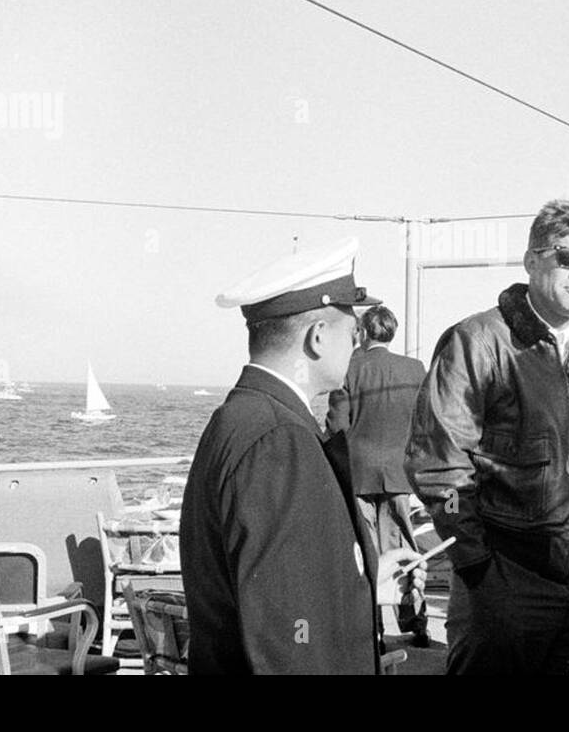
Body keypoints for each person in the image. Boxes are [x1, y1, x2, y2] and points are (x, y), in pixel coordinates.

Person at [180, 236, 425, 674]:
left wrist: (363, 580)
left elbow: (285, 590)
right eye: (352, 334)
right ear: (317, 337)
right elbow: (287, 641)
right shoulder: (279, 442)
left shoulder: (241, 419)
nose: (354, 348)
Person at [406, 198, 569, 675]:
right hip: (504, 588)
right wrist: (478, 563)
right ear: (531, 261)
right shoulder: (479, 341)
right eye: (567, 257)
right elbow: (438, 463)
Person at [327, 304, 430, 645]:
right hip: (400, 475)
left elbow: (337, 426)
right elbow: (425, 423)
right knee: (404, 548)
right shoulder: (414, 369)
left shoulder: (349, 368)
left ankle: (373, 629)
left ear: (364, 332)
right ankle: (415, 622)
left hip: (358, 474)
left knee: (366, 554)